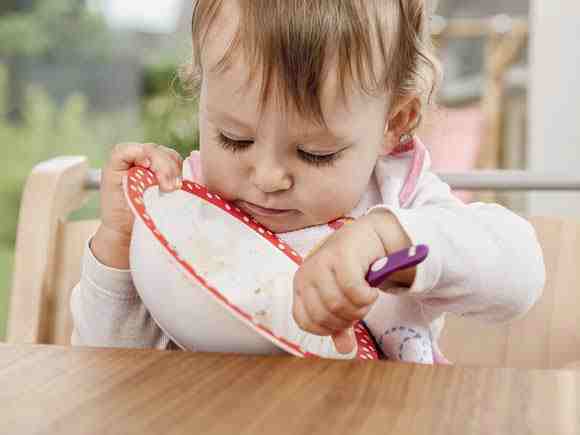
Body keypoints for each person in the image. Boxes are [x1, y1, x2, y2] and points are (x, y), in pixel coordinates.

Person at [71, 0, 545, 363]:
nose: (268, 177)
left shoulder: (399, 200)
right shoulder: (186, 205)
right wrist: (120, 244)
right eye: (234, 139)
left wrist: (390, 240)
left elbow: (521, 274)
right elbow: (111, 366)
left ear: (394, 123)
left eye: (315, 152)